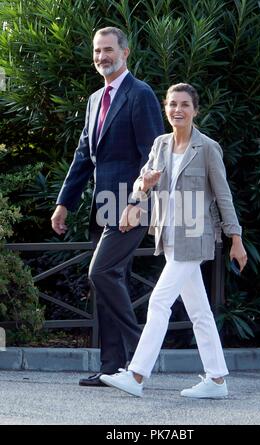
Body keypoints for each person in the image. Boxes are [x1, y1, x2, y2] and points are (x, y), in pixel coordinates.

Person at [100, 83, 247, 398]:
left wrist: (236, 237)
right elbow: (142, 183)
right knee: (200, 312)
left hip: (194, 236)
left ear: (195, 110)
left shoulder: (207, 148)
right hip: (167, 234)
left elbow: (223, 195)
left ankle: (137, 375)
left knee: (159, 301)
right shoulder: (160, 144)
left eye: (184, 105)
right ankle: (217, 379)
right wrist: (144, 184)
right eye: (172, 104)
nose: (178, 110)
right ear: (166, 109)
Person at [51, 27, 164, 387]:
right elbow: (83, 156)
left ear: (125, 53)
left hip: (131, 206)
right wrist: (63, 204)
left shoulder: (140, 94)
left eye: (109, 50)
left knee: (100, 273)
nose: (102, 56)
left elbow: (154, 157)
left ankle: (140, 355)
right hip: (103, 204)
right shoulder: (95, 99)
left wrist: (136, 203)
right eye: (98, 51)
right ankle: (113, 367)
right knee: (110, 281)